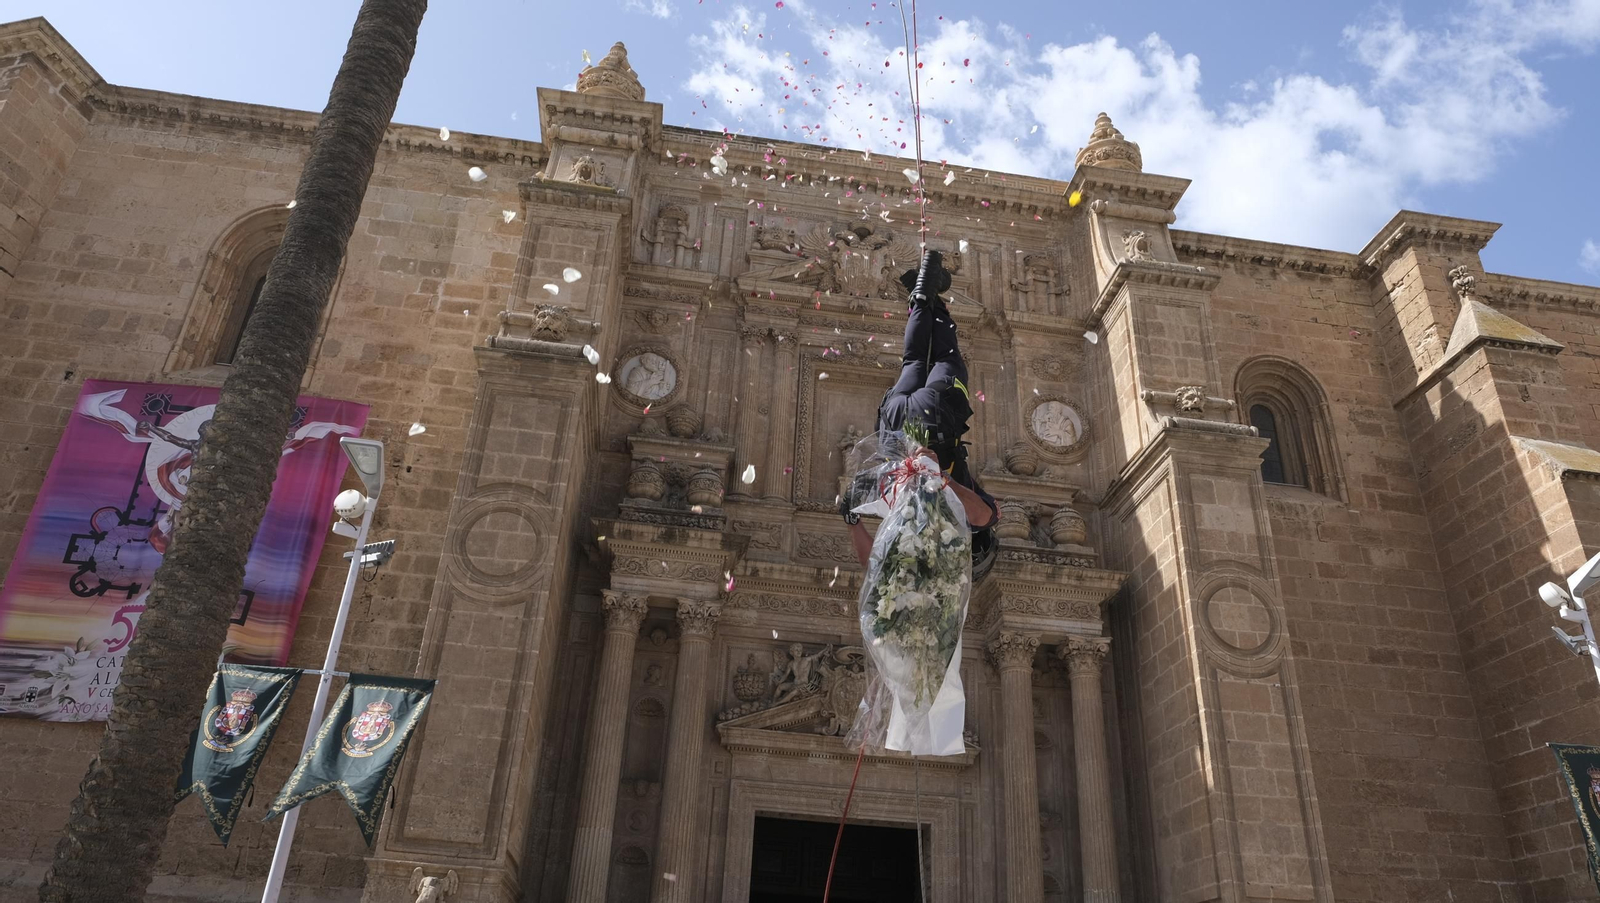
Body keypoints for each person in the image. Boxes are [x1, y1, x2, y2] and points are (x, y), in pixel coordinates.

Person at [841, 250, 999, 577]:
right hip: (892, 422)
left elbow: (981, 517)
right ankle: (921, 293)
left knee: (946, 358)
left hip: (933, 421)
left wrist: (938, 477)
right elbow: (873, 565)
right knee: (912, 360)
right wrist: (851, 519)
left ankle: (927, 292)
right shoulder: (910, 535)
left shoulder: (967, 519)